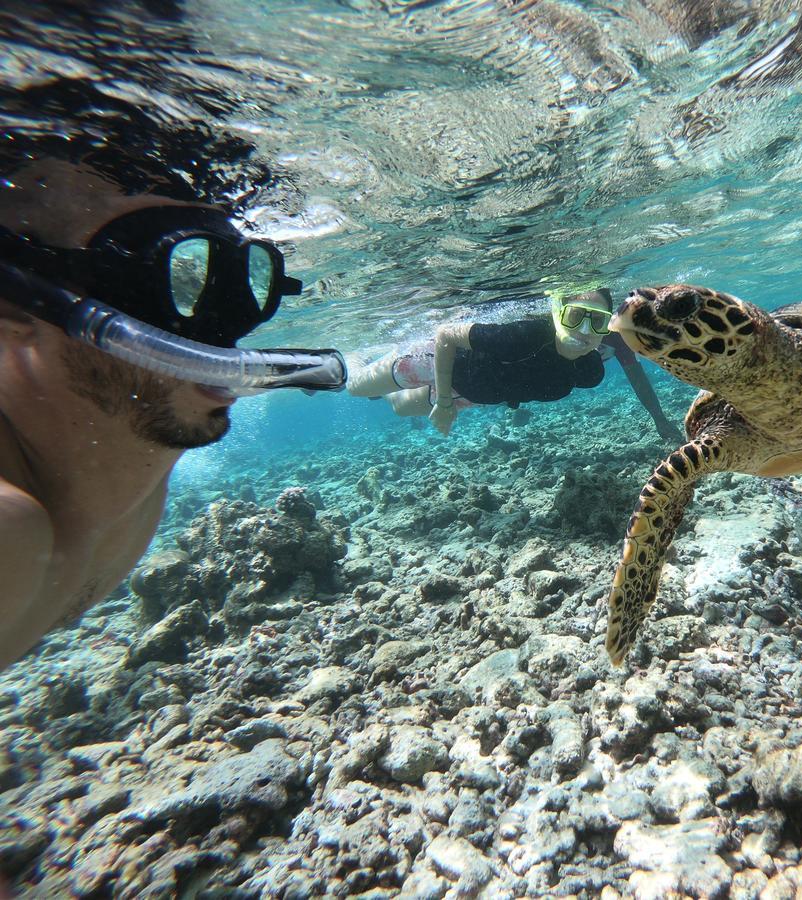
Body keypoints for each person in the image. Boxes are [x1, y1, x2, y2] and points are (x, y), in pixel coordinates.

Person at [0, 159, 343, 669]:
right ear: (17, 306)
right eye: (173, 282)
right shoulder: (12, 528)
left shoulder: (136, 444)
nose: (222, 335)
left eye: (244, 281)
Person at [348, 288, 685, 441]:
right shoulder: (519, 335)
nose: (585, 331)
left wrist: (659, 419)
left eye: (597, 322)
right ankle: (354, 362)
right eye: (576, 317)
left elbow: (636, 373)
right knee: (356, 387)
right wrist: (445, 403)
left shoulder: (592, 368)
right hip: (439, 361)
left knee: (400, 409)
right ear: (558, 314)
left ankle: (387, 392)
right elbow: (446, 335)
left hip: (477, 391)